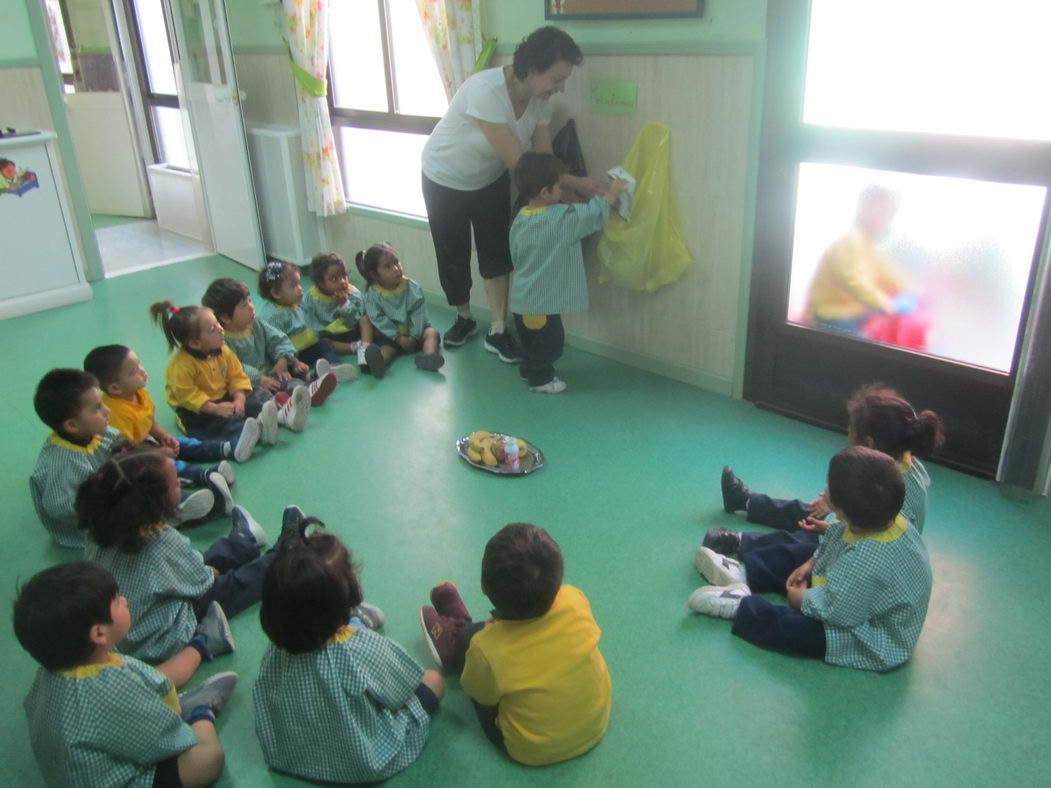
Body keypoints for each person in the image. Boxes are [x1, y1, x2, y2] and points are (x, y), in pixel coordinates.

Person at [421, 26, 607, 358]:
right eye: (556, 79)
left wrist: (579, 187)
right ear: (532, 70)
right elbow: (524, 167)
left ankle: (497, 329)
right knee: (453, 251)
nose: (560, 88)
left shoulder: (539, 101)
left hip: (489, 177)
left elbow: (544, 161)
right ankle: (463, 317)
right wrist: (579, 189)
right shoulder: (485, 92)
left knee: (496, 251)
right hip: (444, 176)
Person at [689, 446, 934, 673]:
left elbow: (837, 612)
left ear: (842, 511)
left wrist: (801, 599)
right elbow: (836, 536)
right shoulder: (886, 519)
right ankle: (742, 572)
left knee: (798, 631)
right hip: (854, 593)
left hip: (870, 635)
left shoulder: (868, 560)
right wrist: (813, 562)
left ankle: (740, 606)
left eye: (828, 489)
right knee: (801, 553)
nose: (824, 491)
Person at [14, 561, 238, 788]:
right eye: (117, 601)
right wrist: (183, 723)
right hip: (121, 778)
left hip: (85, 767)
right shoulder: (110, 691)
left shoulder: (55, 668)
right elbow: (169, 742)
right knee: (208, 759)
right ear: (99, 633)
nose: (125, 601)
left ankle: (202, 650)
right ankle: (201, 711)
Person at [253, 518, 442, 783]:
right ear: (349, 595)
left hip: (288, 758)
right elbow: (402, 689)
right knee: (433, 681)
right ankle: (357, 623)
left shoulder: (275, 652)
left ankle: (356, 622)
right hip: (365, 764)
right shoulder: (363, 650)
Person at [77, 450, 297, 675]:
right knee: (230, 586)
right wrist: (210, 572)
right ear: (154, 504)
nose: (180, 486)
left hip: (124, 632)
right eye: (175, 485)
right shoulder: (162, 542)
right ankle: (285, 552)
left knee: (193, 559)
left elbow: (177, 568)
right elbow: (204, 579)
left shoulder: (101, 530)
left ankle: (245, 539)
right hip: (160, 638)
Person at [419, 522, 611, 765]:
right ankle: (461, 629)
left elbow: (478, 692)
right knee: (493, 643)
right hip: (595, 725)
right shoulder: (575, 598)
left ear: (484, 587)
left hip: (530, 750)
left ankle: (455, 638)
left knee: (473, 642)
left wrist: (483, 644)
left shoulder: (487, 649)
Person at [704, 384, 945, 556]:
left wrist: (835, 517)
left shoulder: (891, 490)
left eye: (850, 430)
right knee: (808, 510)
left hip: (857, 550)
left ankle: (737, 542)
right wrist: (833, 506)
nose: (846, 435)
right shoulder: (901, 462)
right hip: (855, 524)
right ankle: (745, 502)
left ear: (869, 445)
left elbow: (870, 539)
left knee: (803, 541)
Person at [84, 343, 248, 516]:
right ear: (115, 388)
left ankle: (229, 448)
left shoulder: (138, 393)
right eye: (133, 371)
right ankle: (204, 478)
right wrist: (159, 453)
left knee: (183, 443)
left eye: (139, 364)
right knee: (167, 467)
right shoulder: (115, 414)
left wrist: (164, 436)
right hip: (134, 459)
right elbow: (128, 455)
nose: (142, 370)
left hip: (147, 442)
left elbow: (150, 422)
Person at [510, 152, 627, 393]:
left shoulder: (521, 217)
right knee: (552, 343)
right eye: (559, 187)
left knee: (533, 341)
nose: (562, 191)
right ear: (545, 192)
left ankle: (529, 369)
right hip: (542, 302)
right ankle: (540, 379)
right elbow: (591, 215)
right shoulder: (559, 220)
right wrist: (612, 194)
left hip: (522, 299)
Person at [149, 300, 291, 445]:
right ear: (195, 343)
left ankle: (280, 416)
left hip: (225, 396)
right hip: (199, 409)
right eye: (212, 329)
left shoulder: (222, 349)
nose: (220, 329)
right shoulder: (180, 366)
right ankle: (253, 432)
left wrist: (239, 398)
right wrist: (215, 409)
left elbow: (236, 375)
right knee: (216, 426)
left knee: (258, 396)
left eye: (217, 323)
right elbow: (188, 397)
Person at [202, 277, 341, 409]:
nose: (252, 307)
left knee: (290, 380)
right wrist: (258, 379)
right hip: (249, 384)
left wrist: (282, 359)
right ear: (225, 317)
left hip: (273, 372)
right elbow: (233, 367)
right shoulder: (221, 340)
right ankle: (285, 408)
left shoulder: (257, 324)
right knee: (259, 399)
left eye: (250, 301)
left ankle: (309, 390)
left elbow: (277, 338)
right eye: (244, 306)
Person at [29, 368, 129, 548]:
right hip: (86, 526)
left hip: (106, 494)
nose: (107, 411)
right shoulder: (63, 463)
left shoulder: (96, 432)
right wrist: (104, 500)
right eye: (97, 408)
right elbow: (57, 507)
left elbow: (121, 447)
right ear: (72, 425)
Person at [805, 185, 910, 335]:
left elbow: (886, 272)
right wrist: (884, 303)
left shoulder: (868, 247)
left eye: (888, 215)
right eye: (879, 212)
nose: (884, 220)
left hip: (853, 312)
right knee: (866, 345)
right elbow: (852, 280)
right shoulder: (850, 241)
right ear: (863, 209)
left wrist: (905, 289)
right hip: (831, 314)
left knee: (882, 329)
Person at [355, 242, 444, 379]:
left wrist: (414, 337)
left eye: (397, 263)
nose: (396, 269)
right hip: (391, 337)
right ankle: (379, 363)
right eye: (388, 267)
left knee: (432, 333)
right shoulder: (373, 293)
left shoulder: (411, 287)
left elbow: (418, 312)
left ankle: (429, 357)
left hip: (415, 332)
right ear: (375, 274)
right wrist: (398, 337)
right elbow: (377, 317)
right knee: (385, 350)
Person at [257, 261, 355, 377]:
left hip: (307, 348)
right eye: (293, 286)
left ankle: (334, 367)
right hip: (291, 357)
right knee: (296, 370)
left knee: (325, 346)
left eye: (299, 283)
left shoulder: (296, 304)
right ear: (276, 293)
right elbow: (275, 344)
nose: (300, 289)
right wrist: (294, 362)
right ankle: (312, 377)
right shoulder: (273, 316)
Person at [301, 252, 367, 355]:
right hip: (329, 336)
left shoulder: (353, 293)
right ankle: (355, 347)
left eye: (344, 275)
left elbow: (355, 320)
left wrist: (344, 305)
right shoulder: (312, 297)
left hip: (352, 331)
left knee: (366, 322)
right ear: (320, 283)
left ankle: (365, 346)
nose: (342, 281)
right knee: (322, 343)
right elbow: (309, 321)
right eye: (334, 279)